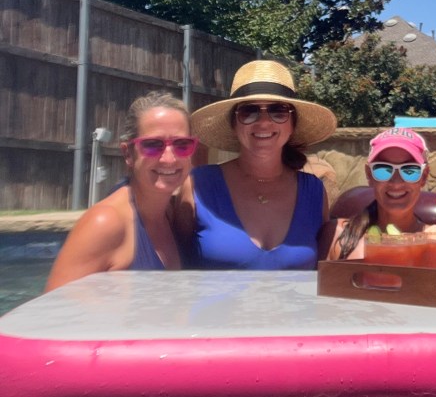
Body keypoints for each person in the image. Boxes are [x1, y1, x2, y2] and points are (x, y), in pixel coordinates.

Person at [178, 60, 337, 269]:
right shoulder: (199, 186)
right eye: (249, 111)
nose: (263, 122)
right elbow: (175, 265)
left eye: (278, 111)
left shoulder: (314, 192)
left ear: (293, 124)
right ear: (234, 124)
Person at [45, 92, 196, 291]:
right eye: (152, 145)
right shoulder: (105, 223)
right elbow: (53, 307)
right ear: (128, 154)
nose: (169, 159)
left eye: (182, 145)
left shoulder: (168, 214)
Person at [323, 127, 434, 260]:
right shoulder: (336, 236)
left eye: (409, 170)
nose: (396, 183)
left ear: (424, 176)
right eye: (383, 169)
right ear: (369, 175)